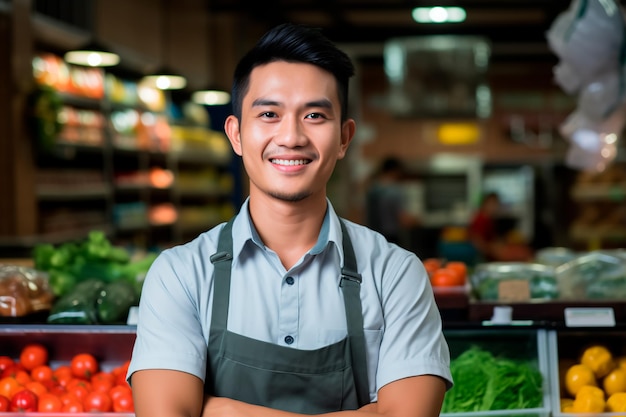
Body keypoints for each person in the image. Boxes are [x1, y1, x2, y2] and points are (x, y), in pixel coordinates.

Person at [127, 22, 452, 417]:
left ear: (345, 138)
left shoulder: (396, 274)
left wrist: (219, 410)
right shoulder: (180, 274)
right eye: (268, 113)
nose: (291, 136)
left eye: (315, 115)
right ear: (236, 135)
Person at [365, 157, 420, 246]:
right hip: (390, 237)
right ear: (395, 171)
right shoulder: (394, 191)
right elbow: (403, 219)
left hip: (371, 236)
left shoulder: (372, 189)